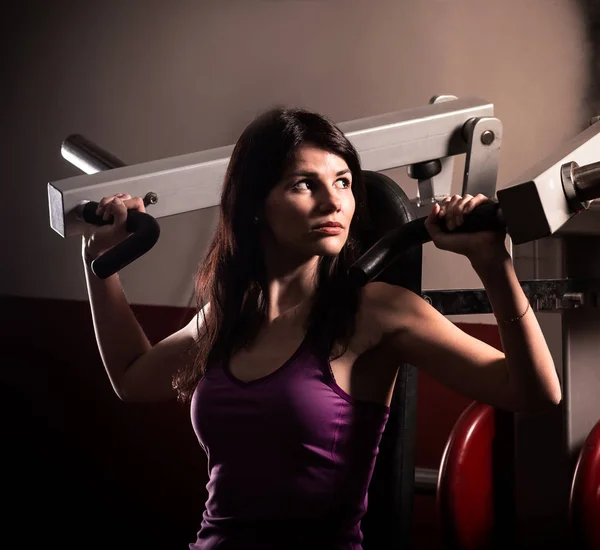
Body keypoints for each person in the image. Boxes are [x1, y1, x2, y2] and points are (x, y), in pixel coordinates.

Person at [82, 107, 561, 549]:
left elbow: (536, 393)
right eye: (303, 184)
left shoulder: (378, 312)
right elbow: (132, 377)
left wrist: (494, 265)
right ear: (255, 204)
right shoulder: (226, 316)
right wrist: (100, 264)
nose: (334, 202)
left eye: (344, 182)